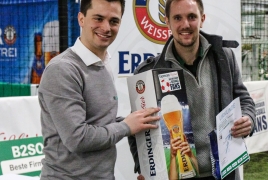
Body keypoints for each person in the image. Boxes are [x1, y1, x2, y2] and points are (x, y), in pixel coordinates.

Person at [128, 0, 256, 179]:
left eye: (191, 17)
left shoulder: (224, 58)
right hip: (178, 175)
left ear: (202, 19)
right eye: (178, 18)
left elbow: (244, 100)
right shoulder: (148, 73)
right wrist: (145, 169)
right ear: (168, 21)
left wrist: (248, 118)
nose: (185, 24)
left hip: (222, 173)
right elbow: (136, 129)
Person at [38, 0, 160, 179]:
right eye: (98, 18)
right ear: (81, 19)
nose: (106, 27)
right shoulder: (62, 69)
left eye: (114, 21)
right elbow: (77, 138)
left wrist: (137, 121)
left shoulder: (103, 63)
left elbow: (100, 121)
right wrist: (126, 126)